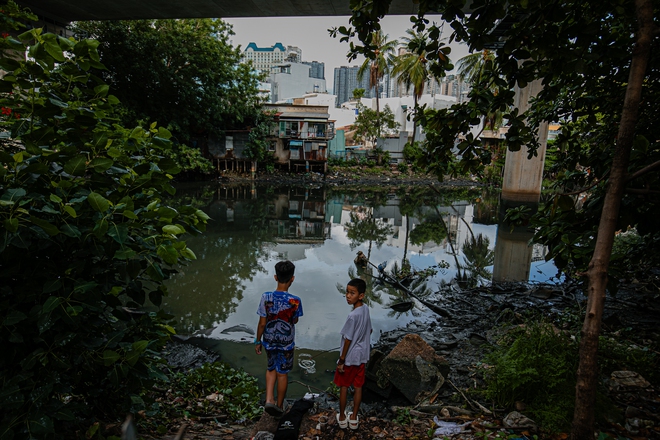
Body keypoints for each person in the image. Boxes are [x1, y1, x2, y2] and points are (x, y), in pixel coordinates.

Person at [255, 260, 303, 418]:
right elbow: (294, 320)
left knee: (270, 369)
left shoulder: (265, 297)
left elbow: (262, 323)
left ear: (275, 277)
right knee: (282, 373)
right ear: (292, 278)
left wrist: (258, 340)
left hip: (269, 340)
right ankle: (280, 406)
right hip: (286, 343)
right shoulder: (295, 301)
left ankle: (269, 399)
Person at [334, 278, 372, 430]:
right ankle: (354, 418)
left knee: (343, 387)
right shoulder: (365, 309)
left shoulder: (352, 316)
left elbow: (348, 339)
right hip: (362, 356)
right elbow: (370, 330)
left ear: (361, 295)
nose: (348, 296)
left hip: (350, 358)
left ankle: (342, 417)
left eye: (352, 293)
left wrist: (342, 360)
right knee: (358, 387)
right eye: (347, 292)